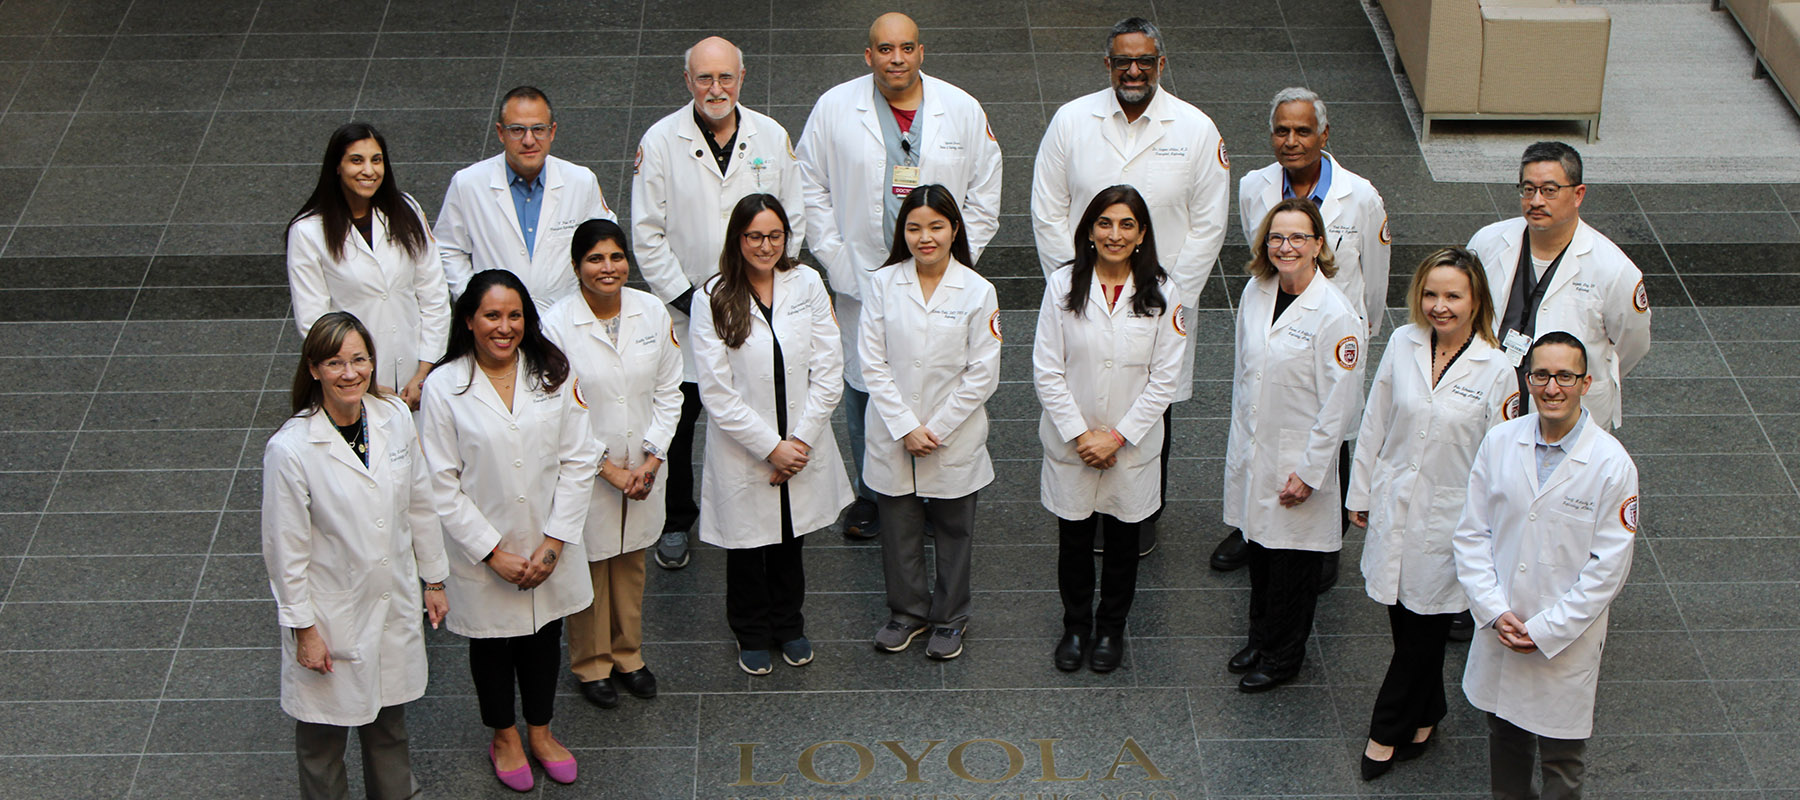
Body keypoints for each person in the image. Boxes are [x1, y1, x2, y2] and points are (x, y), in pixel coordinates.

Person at [796, 12, 1003, 543]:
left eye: (906, 48)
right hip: (864, 275)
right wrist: (837, 259)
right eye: (885, 49)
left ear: (921, 52)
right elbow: (809, 186)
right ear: (869, 56)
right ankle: (873, 494)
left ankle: (934, 493)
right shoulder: (834, 108)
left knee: (939, 377)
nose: (896, 59)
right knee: (867, 383)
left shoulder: (960, 108)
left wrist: (958, 258)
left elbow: (985, 188)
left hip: (940, 276)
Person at [1029, 17, 1230, 556]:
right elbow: (1048, 211)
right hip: (1084, 295)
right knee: (1081, 391)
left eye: (1144, 61)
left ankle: (1140, 515)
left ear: (1161, 64)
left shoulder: (1196, 129)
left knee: (1152, 399)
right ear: (1108, 65)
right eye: (1123, 61)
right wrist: (1075, 284)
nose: (1133, 70)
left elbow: (1209, 224)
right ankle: (1083, 507)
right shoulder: (1072, 121)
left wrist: (1167, 296)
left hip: (1159, 300)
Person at [418, 270, 597, 792]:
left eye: (514, 315)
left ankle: (540, 732)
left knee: (544, 638)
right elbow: (440, 481)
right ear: (468, 321)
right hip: (483, 550)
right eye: (492, 315)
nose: (504, 327)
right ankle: (504, 737)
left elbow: (579, 459)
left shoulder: (554, 372)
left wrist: (555, 542)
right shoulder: (444, 386)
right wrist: (490, 551)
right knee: (492, 646)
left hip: (548, 541)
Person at [633, 36, 804, 571]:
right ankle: (676, 520)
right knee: (680, 422)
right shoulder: (661, 141)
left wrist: (764, 289)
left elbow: (793, 220)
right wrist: (693, 301)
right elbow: (647, 234)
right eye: (704, 78)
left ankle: (762, 506)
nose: (715, 88)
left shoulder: (771, 136)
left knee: (756, 412)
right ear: (688, 81)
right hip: (688, 313)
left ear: (741, 78)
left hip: (759, 307)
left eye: (725, 77)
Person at [1344, 248, 1516, 780]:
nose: (1440, 306)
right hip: (1395, 503)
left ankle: (1384, 730)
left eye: (1453, 296)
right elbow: (1375, 419)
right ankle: (1429, 710)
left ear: (1476, 300)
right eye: (1430, 294)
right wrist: (1360, 492)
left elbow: (1501, 461)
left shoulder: (1498, 369)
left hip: (1451, 521)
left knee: (1424, 627)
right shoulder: (1403, 342)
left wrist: (1490, 533)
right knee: (1406, 621)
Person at [262, 312, 449, 800]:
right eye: (335, 362)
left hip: (392, 599)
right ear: (314, 369)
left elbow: (420, 502)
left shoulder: (394, 417)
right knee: (323, 740)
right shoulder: (291, 449)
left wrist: (433, 579)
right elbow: (285, 551)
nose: (350, 373)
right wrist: (304, 630)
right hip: (331, 616)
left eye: (359, 359)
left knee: (390, 726)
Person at [1454, 331, 1639, 800]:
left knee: (1562, 759)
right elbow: (1472, 534)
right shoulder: (1500, 441)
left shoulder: (1612, 465)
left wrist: (1546, 630)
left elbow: (1608, 571)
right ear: (1528, 380)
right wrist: (1494, 610)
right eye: (1541, 375)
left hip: (1565, 640)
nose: (1552, 388)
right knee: (1504, 738)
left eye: (1565, 376)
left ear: (1586, 383)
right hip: (1502, 624)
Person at [1214, 87, 1391, 577]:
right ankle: (1250, 526)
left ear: (1324, 134)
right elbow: (1263, 254)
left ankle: (1324, 544)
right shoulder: (1253, 186)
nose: (1291, 141)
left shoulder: (1361, 197)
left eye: (1303, 130)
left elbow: (1376, 278)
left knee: (1332, 428)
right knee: (1260, 421)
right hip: (1276, 316)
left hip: (1332, 331)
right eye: (1281, 131)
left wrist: (1361, 334)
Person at [690, 194, 853, 675]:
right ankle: (750, 630)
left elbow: (829, 368)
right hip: (745, 448)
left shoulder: (806, 282)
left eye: (775, 236)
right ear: (738, 239)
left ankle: (788, 624)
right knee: (746, 545)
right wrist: (770, 448)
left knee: (790, 540)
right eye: (755, 236)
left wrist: (798, 443)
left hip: (801, 439)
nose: (766, 246)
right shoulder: (712, 296)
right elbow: (716, 391)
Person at [1033, 185, 1184, 674]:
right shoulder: (1062, 285)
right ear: (1089, 231)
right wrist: (1082, 436)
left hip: (1130, 447)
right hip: (1073, 444)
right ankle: (1076, 626)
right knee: (1074, 541)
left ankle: (1111, 629)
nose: (1114, 234)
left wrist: (1116, 436)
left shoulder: (1164, 291)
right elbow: (1047, 369)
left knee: (1123, 544)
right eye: (1104, 223)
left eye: (1126, 225)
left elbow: (1165, 378)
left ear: (1141, 234)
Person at [1222, 198, 1364, 693]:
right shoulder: (1257, 291)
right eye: (1277, 237)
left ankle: (1283, 657)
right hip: (1257, 450)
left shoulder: (1335, 314)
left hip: (1299, 462)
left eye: (1298, 237)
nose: (1286, 247)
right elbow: (1246, 374)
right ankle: (1260, 639)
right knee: (1260, 555)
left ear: (1318, 245)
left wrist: (1309, 473)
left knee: (1293, 569)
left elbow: (1339, 405)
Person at [541, 220, 682, 710]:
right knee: (591, 565)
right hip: (588, 470)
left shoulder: (651, 311)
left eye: (616, 257)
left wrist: (652, 457)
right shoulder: (557, 324)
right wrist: (610, 470)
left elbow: (669, 390)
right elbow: (559, 410)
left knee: (631, 564)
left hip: (643, 466)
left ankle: (629, 655)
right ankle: (592, 663)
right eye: (595, 259)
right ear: (576, 265)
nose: (608, 268)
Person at [859, 185, 1001, 661]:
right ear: (902, 232)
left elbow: (983, 373)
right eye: (914, 228)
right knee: (898, 528)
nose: (925, 238)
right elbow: (872, 363)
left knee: (955, 531)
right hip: (894, 432)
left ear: (954, 229)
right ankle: (907, 613)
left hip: (953, 435)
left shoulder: (978, 290)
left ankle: (951, 616)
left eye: (936, 227)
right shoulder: (882, 284)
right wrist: (905, 426)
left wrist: (936, 428)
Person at [1467, 141, 1651, 431]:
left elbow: (1633, 344)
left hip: (1565, 409)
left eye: (1549, 190)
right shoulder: (1487, 242)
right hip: (1491, 397)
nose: (1536, 201)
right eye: (1528, 189)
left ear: (1578, 194)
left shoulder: (1613, 268)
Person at [286, 122, 448, 411]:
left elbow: (433, 293)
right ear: (337, 166)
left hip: (416, 378)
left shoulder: (406, 209)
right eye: (356, 160)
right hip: (353, 383)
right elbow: (314, 322)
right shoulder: (308, 231)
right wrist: (362, 381)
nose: (369, 170)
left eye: (376, 160)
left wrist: (424, 371)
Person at [435, 86, 616, 312]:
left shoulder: (580, 181)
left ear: (552, 132)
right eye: (517, 130)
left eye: (538, 129)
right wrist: (474, 300)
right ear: (500, 132)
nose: (529, 140)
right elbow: (448, 249)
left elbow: (605, 244)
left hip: (567, 318)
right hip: (498, 321)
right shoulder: (468, 184)